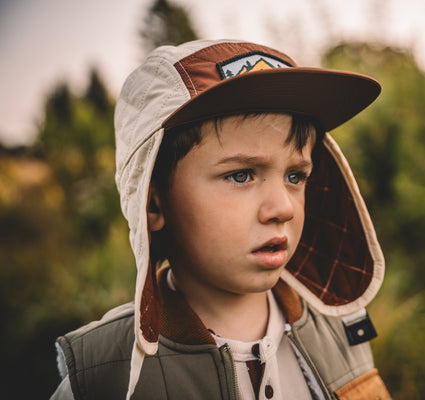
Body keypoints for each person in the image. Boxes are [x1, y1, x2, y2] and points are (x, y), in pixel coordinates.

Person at [51, 39, 390, 400]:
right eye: (241, 175)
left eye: (295, 176)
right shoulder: (102, 376)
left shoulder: (341, 330)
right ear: (153, 204)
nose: (283, 208)